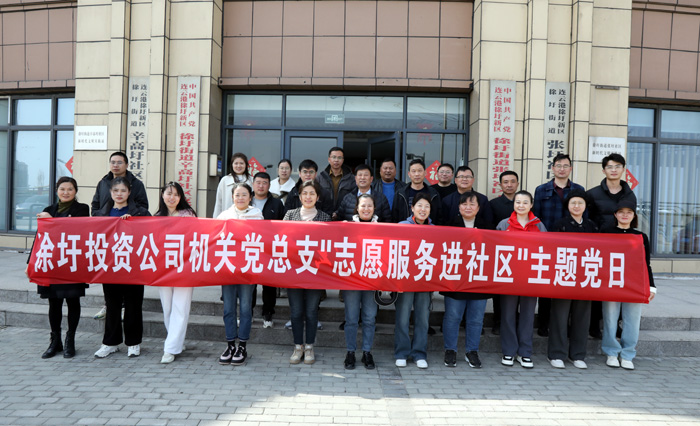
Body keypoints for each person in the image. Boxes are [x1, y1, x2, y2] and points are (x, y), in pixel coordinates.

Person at [25, 177, 90, 359]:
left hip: (72, 262)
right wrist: (31, 263)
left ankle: (70, 340)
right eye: (62, 189)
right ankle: (55, 341)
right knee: (54, 303)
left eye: (70, 189)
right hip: (51, 262)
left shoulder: (82, 209)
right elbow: (40, 238)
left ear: (75, 191)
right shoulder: (49, 210)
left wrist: (52, 220)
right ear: (56, 190)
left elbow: (77, 230)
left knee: (73, 301)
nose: (66, 192)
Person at [93, 177, 151, 358]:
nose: (119, 194)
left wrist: (133, 223)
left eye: (123, 191)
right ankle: (110, 343)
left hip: (133, 266)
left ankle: (133, 343)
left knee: (134, 305)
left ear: (129, 192)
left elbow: (151, 232)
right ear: (110, 192)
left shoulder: (140, 212)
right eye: (116, 191)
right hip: (110, 266)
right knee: (112, 305)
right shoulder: (101, 214)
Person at [90, 151, 149, 320]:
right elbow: (95, 206)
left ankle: (125, 307)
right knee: (110, 274)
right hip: (108, 237)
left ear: (127, 165)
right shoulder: (103, 182)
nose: (115, 165)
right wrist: (103, 219)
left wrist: (131, 219)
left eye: (119, 162)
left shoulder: (136, 184)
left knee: (128, 274)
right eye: (113, 162)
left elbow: (144, 208)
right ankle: (108, 305)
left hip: (129, 239)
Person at [533, 154, 586, 337]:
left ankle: (567, 324)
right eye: (558, 165)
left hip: (573, 247)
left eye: (565, 166)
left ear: (570, 168)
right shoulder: (541, 190)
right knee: (546, 285)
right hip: (548, 245)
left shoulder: (579, 190)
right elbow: (536, 219)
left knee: (569, 284)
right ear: (553, 168)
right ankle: (544, 323)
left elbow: (584, 217)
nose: (562, 169)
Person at [586, 153, 636, 339]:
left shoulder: (629, 194)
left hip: (622, 249)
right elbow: (588, 220)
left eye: (617, 166)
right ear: (603, 170)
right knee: (596, 284)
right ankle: (593, 324)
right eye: (610, 167)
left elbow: (631, 220)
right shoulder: (592, 194)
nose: (613, 170)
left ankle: (616, 324)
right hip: (599, 247)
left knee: (618, 285)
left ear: (623, 169)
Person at [441, 192, 493, 368]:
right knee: (453, 317)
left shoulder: (488, 227)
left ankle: (472, 351)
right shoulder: (449, 226)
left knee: (476, 319)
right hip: (455, 279)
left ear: (478, 208)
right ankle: (450, 350)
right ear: (459, 207)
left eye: (472, 204)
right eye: (464, 204)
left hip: (479, 279)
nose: (468, 207)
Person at [602, 199, 656, 370]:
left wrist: (651, 286)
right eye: (621, 212)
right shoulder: (606, 233)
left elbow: (646, 263)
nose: (625, 215)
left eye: (629, 212)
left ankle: (627, 354)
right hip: (611, 282)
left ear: (634, 216)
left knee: (632, 319)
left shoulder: (641, 237)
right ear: (615, 214)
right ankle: (611, 352)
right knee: (610, 318)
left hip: (634, 284)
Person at [496, 190, 547, 369]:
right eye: (518, 202)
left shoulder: (539, 225)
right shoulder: (504, 224)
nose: (521, 205)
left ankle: (525, 352)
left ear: (531, 205)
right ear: (513, 204)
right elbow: (495, 248)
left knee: (528, 315)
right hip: (509, 277)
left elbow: (546, 249)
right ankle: (509, 351)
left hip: (530, 278)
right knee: (508, 315)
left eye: (525, 202)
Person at [547, 190, 598, 369]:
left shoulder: (592, 226)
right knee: (559, 316)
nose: (577, 206)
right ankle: (556, 354)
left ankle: (577, 354)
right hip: (564, 275)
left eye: (580, 203)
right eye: (573, 203)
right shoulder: (559, 225)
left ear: (585, 206)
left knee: (582, 317)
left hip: (585, 277)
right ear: (567, 206)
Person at [283, 181, 331, 364]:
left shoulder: (325, 218)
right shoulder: (290, 215)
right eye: (305, 193)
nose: (308, 197)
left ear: (317, 197)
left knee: (311, 312)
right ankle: (298, 347)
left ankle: (309, 346)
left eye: (312, 193)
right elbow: (281, 240)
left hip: (315, 273)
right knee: (296, 312)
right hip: (293, 272)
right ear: (299, 196)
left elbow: (329, 247)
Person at [216, 183, 263, 365]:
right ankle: (230, 344)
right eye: (237, 195)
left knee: (245, 308)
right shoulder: (224, 216)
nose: (241, 198)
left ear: (250, 197)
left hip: (247, 269)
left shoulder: (257, 216)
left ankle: (242, 345)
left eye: (244, 194)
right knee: (228, 308)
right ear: (232, 197)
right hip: (227, 269)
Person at [154, 181, 197, 364]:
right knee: (168, 307)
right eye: (168, 193)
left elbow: (195, 239)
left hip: (184, 267)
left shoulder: (189, 214)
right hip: (164, 268)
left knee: (180, 306)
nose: (172, 197)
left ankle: (170, 348)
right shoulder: (156, 217)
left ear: (181, 197)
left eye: (176, 194)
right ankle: (176, 340)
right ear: (162, 195)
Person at [394, 192, 434, 369]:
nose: (423, 209)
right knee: (402, 317)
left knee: (422, 318)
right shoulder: (402, 226)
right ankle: (401, 352)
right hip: (405, 280)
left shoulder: (436, 230)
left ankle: (419, 353)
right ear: (412, 208)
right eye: (419, 206)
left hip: (425, 280)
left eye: (426, 206)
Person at [343, 194, 379, 370]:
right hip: (351, 280)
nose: (366, 209)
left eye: (369, 206)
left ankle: (367, 352)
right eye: (363, 206)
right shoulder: (347, 227)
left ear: (374, 208)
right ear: (357, 208)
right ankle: (350, 352)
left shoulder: (382, 228)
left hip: (372, 281)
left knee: (369, 318)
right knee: (351, 318)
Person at [251, 172, 285, 328]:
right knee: (249, 283)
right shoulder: (246, 200)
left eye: (264, 183)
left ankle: (268, 314)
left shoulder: (277, 203)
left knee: (269, 283)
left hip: (270, 248)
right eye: (258, 182)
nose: (261, 186)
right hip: (250, 247)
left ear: (269, 186)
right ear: (253, 184)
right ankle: (248, 312)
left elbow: (283, 226)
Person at [488, 170, 519, 335]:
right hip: (500, 254)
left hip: (520, 254)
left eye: (512, 181)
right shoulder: (493, 204)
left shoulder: (524, 203)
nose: (509, 185)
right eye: (505, 182)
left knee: (517, 289)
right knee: (499, 290)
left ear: (517, 184)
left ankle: (514, 321)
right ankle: (498, 322)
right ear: (500, 185)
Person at [392, 159, 441, 224]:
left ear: (425, 173)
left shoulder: (434, 194)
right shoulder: (400, 193)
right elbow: (394, 217)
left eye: (420, 171)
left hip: (428, 229)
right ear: (409, 174)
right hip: (405, 228)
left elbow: (439, 217)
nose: (417, 174)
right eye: (413, 171)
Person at [316, 147, 357, 216]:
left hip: (344, 215)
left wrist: (338, 212)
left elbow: (353, 198)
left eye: (339, 157)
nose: (336, 160)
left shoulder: (351, 178)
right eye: (334, 157)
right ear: (329, 159)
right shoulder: (320, 178)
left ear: (343, 160)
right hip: (324, 215)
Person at [213, 152, 254, 218]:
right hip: (228, 218)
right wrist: (216, 219)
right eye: (236, 163)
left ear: (246, 165)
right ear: (232, 165)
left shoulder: (252, 180)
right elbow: (219, 202)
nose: (238, 166)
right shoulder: (225, 180)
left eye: (241, 163)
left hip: (247, 217)